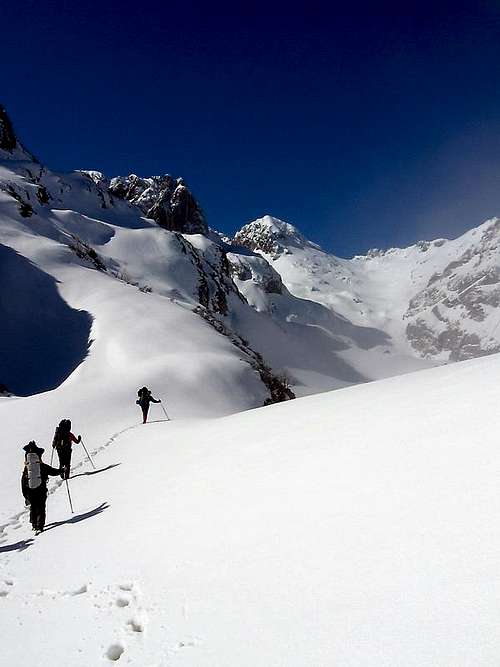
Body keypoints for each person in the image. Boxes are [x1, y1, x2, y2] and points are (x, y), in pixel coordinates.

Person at [21, 441, 61, 534]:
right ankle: (40, 525)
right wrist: (62, 470)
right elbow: (53, 471)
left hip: (30, 491)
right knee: (41, 507)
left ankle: (34, 524)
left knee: (33, 506)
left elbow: (23, 482)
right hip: (41, 489)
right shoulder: (41, 466)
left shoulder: (27, 469)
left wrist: (25, 495)